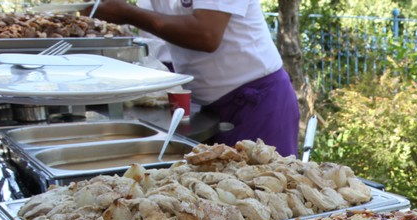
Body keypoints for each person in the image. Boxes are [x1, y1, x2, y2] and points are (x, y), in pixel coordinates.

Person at [88, 0, 300, 157]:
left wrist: (127, 13)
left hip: (258, 102)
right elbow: (155, 38)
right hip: (207, 110)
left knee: (268, 196)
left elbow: (207, 34)